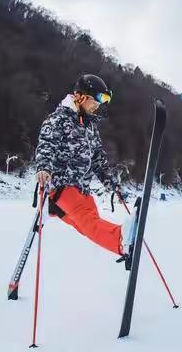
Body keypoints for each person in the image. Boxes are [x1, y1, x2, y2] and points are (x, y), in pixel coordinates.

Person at [35, 74, 135, 258]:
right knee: (89, 222)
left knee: (90, 225)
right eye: (97, 98)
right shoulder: (58, 120)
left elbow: (98, 160)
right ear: (81, 97)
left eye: (104, 100)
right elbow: (46, 144)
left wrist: (112, 184)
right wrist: (44, 167)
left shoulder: (89, 127)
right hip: (62, 187)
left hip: (82, 189)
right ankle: (121, 240)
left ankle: (122, 244)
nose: (99, 104)